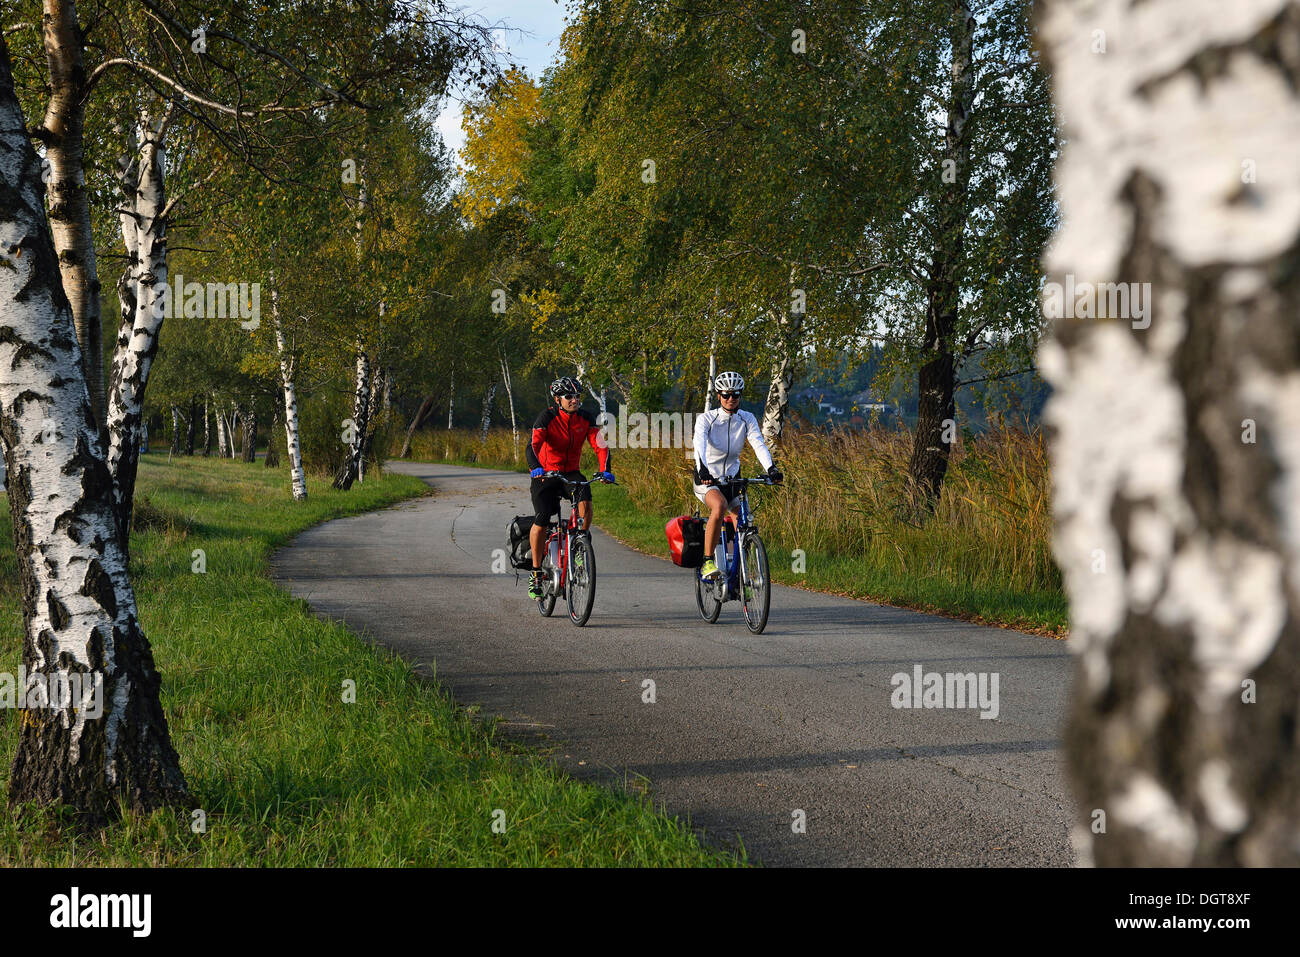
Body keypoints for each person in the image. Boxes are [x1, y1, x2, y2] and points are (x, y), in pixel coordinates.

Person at [526, 376, 614, 599]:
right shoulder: (547, 417)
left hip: (571, 472)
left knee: (586, 502)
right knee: (543, 517)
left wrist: (605, 469)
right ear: (558, 399)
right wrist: (535, 467)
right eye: (569, 397)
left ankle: (579, 545)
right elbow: (532, 446)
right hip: (546, 473)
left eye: (577, 396)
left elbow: (600, 446)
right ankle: (536, 572)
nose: (574, 400)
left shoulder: (585, 418)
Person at [693, 371, 783, 579]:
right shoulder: (707, 419)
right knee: (720, 506)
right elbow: (699, 445)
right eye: (726, 395)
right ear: (718, 395)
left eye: (736, 395)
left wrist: (771, 468)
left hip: (733, 476)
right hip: (708, 477)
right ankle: (707, 561)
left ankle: (742, 568)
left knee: (743, 519)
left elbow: (758, 444)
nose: (731, 399)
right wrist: (703, 469)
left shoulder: (747, 418)